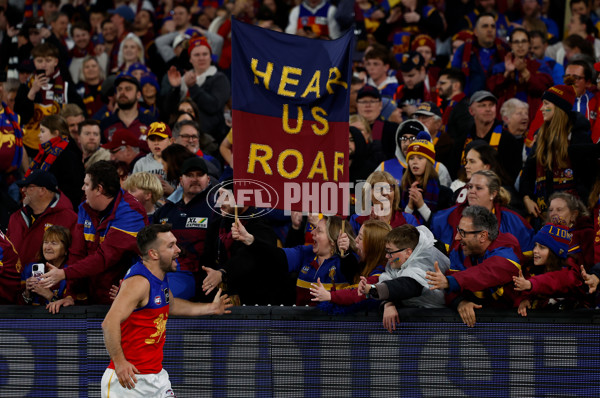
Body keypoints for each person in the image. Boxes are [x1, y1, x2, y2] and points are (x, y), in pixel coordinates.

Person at [101, 223, 232, 397]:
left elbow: (171, 305)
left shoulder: (160, 276)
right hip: (129, 381)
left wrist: (212, 308)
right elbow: (109, 323)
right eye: (171, 246)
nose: (178, 250)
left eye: (176, 243)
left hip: (157, 377)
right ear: (153, 254)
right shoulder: (139, 282)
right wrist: (119, 362)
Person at [40, 161, 147, 307]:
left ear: (99, 189)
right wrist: (70, 295)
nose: (82, 188)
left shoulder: (131, 212)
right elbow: (77, 254)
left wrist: (64, 273)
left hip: (123, 298)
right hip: (92, 296)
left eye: (86, 184)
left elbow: (104, 258)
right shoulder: (85, 207)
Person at [426, 206, 523, 327]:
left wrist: (451, 281)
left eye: (463, 233)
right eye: (458, 230)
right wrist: (460, 302)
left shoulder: (508, 248)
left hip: (518, 324)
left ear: (483, 236)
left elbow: (487, 272)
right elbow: (449, 288)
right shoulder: (460, 250)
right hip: (480, 326)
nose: (457, 237)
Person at [232, 215, 355, 306]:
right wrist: (250, 240)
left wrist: (346, 252)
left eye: (319, 230)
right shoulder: (306, 253)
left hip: (334, 333)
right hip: (301, 330)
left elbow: (350, 269)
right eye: (314, 228)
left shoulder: (346, 260)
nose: (312, 233)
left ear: (333, 241)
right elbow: (277, 255)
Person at [520, 84, 595, 225]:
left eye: (547, 104)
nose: (542, 108)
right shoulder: (541, 136)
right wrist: (527, 198)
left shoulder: (579, 136)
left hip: (574, 218)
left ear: (559, 107)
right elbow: (527, 173)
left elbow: (587, 181)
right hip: (543, 216)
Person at [357, 224, 450, 333]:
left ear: (408, 252)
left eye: (390, 252)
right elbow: (388, 277)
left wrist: (371, 289)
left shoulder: (424, 267)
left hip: (437, 329)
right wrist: (388, 304)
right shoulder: (399, 262)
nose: (387, 256)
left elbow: (404, 286)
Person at [153, 157, 216, 300]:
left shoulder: (217, 208)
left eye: (200, 175)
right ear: (181, 180)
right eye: (190, 175)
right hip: (167, 275)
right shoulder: (165, 211)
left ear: (208, 179)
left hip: (201, 280)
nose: (195, 179)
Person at [432, 170, 534, 252]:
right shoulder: (444, 217)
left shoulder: (514, 222)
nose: (472, 191)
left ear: (493, 194)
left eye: (479, 188)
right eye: (470, 187)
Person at [309, 219, 391, 312]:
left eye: (360, 238)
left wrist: (330, 296)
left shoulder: (381, 274)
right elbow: (351, 269)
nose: (355, 240)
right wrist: (345, 252)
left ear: (373, 246)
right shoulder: (364, 265)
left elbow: (359, 292)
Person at [164, 35, 230, 141]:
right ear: (190, 59)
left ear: (210, 56)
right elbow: (168, 109)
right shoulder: (184, 78)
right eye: (197, 55)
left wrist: (193, 87)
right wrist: (175, 89)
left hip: (210, 138)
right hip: (180, 135)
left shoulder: (219, 78)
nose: (201, 58)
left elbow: (213, 106)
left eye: (205, 54)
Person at [513, 223, 588, 315]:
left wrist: (531, 284)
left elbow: (554, 281)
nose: (535, 250)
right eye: (535, 245)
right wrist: (524, 299)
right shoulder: (534, 269)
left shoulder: (570, 273)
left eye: (542, 247)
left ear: (556, 252)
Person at [8, 170, 77, 266]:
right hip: (13, 279)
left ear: (42, 190)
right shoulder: (15, 218)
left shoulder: (69, 219)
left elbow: (74, 258)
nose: (23, 190)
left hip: (49, 280)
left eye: (28, 187)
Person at [487, 28, 553, 123]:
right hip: (505, 117)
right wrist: (507, 73)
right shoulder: (500, 67)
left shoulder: (541, 66)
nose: (520, 45)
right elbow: (493, 92)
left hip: (532, 116)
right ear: (510, 45)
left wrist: (524, 71)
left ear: (529, 44)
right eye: (516, 42)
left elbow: (544, 90)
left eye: (524, 41)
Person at [400, 131, 453, 224]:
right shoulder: (401, 191)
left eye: (420, 158)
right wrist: (410, 206)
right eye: (411, 158)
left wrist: (421, 206)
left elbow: (440, 227)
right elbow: (399, 226)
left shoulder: (445, 194)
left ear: (429, 162)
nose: (414, 162)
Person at [349, 170, 420, 235]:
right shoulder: (356, 220)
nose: (385, 193)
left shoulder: (409, 220)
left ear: (395, 194)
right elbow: (353, 247)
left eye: (389, 188)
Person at [20, 225, 71, 305]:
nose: (47, 247)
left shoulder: (71, 273)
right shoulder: (29, 269)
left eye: (54, 243)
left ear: (66, 250)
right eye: (45, 242)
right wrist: (27, 293)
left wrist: (49, 295)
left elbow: (73, 311)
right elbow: (17, 307)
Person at [547, 192, 594, 268]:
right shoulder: (545, 234)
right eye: (551, 210)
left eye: (559, 210)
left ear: (573, 214)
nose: (553, 214)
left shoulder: (586, 234)